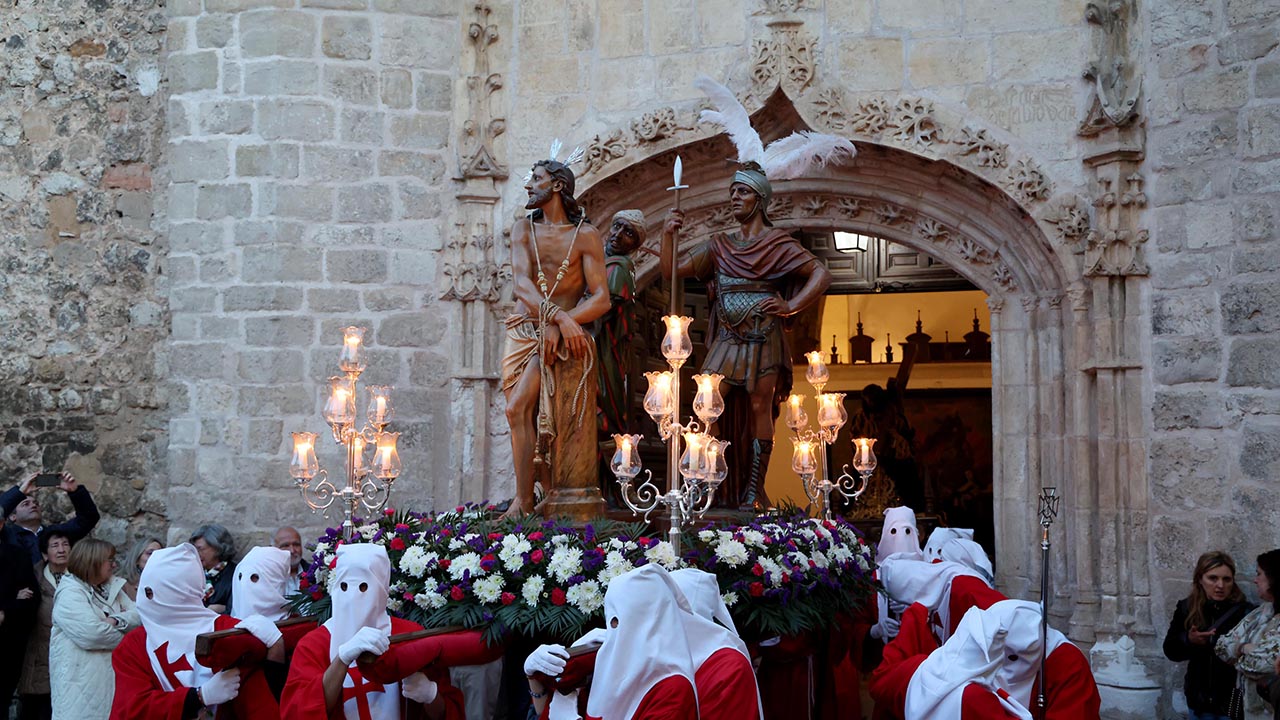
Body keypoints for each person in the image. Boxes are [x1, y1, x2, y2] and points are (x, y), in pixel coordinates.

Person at [661, 162, 833, 509]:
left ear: (760, 199)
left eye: (742, 192)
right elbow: (670, 271)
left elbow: (821, 274)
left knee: (759, 407)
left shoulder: (778, 244)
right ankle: (708, 483)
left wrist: (791, 305)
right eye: (732, 193)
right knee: (707, 404)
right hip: (727, 336)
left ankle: (754, 489)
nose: (734, 198)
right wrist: (667, 234)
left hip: (762, 334)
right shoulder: (719, 245)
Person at [501, 153, 610, 519]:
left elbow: (601, 298)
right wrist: (559, 317)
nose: (529, 185)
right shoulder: (523, 229)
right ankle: (540, 494)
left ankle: (524, 502)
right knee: (524, 418)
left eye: (536, 178)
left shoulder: (586, 236)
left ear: (557, 185)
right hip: (523, 332)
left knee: (518, 408)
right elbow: (521, 285)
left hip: (555, 340)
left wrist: (560, 325)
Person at [280, 543, 464, 719]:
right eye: (344, 586)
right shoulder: (313, 645)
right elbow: (299, 712)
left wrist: (430, 695)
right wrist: (341, 659)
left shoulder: (409, 635)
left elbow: (445, 712)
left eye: (363, 587)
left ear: (382, 589)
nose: (353, 596)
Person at [109, 543, 285, 720]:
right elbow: (132, 709)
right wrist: (199, 696)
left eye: (149, 590)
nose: (145, 597)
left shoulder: (230, 632)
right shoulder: (135, 645)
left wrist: (272, 641)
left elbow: (259, 699)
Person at [523, 564, 698, 720]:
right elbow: (543, 711)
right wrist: (534, 675)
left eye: (618, 620)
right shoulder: (612, 663)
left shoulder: (673, 689)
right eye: (610, 620)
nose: (612, 627)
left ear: (647, 622)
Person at [49, 538, 139, 720]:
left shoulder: (112, 586)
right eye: (109, 560)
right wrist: (130, 640)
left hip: (110, 684)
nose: (114, 565)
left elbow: (140, 614)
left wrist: (115, 620)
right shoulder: (70, 593)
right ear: (93, 561)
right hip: (80, 688)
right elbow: (92, 634)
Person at [1164, 551, 1254, 720]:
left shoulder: (1245, 612)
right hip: (1199, 700)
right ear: (1200, 579)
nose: (1220, 585)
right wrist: (1188, 640)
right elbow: (1170, 650)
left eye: (1226, 579)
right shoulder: (1187, 608)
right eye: (1213, 578)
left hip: (1231, 701)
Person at [1217, 550, 1280, 720]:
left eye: (1259, 574)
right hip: (1246, 711)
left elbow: (1264, 664)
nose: (1255, 580)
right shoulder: (1262, 611)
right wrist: (1243, 648)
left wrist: (1237, 653)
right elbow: (1222, 646)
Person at [16, 531, 72, 720]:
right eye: (55, 545)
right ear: (45, 554)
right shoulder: (32, 578)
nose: (62, 550)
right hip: (39, 655)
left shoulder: (81, 578)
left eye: (65, 544)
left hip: (71, 657)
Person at [2, 472, 100, 565]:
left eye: (36, 503)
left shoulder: (55, 533)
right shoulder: (6, 536)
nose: (33, 506)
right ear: (12, 516)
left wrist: (76, 492)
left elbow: (88, 519)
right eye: (25, 504)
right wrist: (20, 492)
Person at [0, 514, 40, 717]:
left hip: (5, 649)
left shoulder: (17, 556)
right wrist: (10, 600)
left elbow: (30, 600)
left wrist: (6, 612)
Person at [189, 524, 237, 613]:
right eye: (194, 550)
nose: (196, 554)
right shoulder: (193, 573)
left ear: (217, 548)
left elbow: (237, 611)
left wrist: (224, 610)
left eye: (200, 549)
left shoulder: (235, 575)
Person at [122, 536, 163, 602]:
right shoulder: (123, 586)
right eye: (150, 553)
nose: (156, 557)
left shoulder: (166, 583)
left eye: (160, 554)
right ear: (137, 559)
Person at [273, 527, 305, 594]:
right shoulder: (267, 578)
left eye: (296, 545)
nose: (292, 551)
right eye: (285, 545)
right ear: (273, 549)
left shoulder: (316, 575)